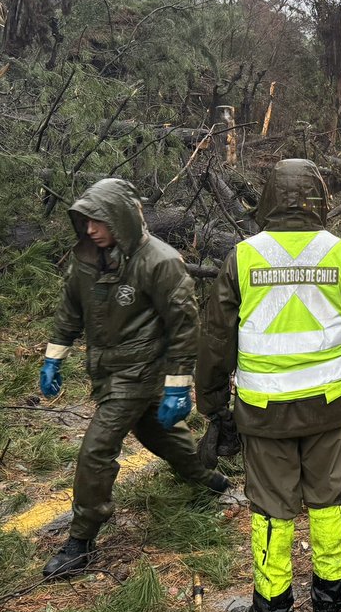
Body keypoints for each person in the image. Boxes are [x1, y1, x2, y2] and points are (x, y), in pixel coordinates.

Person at [198, 159, 341, 612]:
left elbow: (216, 337)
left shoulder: (243, 257)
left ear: (269, 199)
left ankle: (273, 606)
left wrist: (213, 403)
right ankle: (331, 596)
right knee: (328, 498)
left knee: (271, 508)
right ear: (321, 197)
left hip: (264, 409)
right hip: (328, 405)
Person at [38, 178, 230, 580]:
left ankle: (81, 540)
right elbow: (71, 308)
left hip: (141, 372)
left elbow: (184, 326)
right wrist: (54, 357)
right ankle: (206, 478)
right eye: (85, 221)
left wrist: (178, 385)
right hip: (109, 371)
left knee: (96, 451)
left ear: (120, 219)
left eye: (98, 221)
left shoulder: (160, 261)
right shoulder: (88, 259)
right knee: (155, 433)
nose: (90, 229)